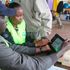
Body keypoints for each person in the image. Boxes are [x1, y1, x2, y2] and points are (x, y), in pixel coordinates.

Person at [0, 2, 70, 70]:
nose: (5, 21)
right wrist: (61, 51)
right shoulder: (5, 33)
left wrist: (39, 47)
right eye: (3, 17)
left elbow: (13, 47)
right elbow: (33, 66)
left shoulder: (21, 24)